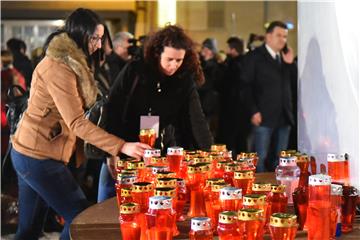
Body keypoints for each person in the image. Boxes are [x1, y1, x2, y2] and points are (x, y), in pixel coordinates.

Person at [10, 8, 150, 240]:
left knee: (29, 230)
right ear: (79, 34)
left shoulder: (75, 63)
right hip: (37, 156)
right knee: (80, 218)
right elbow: (76, 122)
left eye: (100, 38)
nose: (97, 44)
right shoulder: (59, 67)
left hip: (32, 152)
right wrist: (121, 146)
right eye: (94, 37)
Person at [98, 25, 214, 202]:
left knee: (148, 204)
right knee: (109, 201)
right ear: (157, 53)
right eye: (169, 59)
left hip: (158, 152)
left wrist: (208, 156)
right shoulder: (135, 70)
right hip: (124, 145)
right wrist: (112, 151)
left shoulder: (183, 79)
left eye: (179, 60)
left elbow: (196, 119)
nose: (174, 65)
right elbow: (114, 108)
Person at [241, 21, 296, 172]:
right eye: (279, 35)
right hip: (263, 116)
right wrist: (253, 111)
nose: (283, 40)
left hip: (284, 116)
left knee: (280, 161)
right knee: (260, 159)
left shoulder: (285, 58)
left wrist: (290, 64)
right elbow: (245, 86)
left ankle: (278, 193)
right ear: (268, 37)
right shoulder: (254, 57)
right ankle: (259, 192)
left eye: (285, 36)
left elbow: (292, 85)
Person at [198, 38, 223, 138]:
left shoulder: (214, 67)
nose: (202, 50)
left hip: (208, 104)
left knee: (206, 132)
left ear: (209, 50)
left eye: (204, 48)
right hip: (204, 103)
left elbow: (207, 84)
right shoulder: (204, 64)